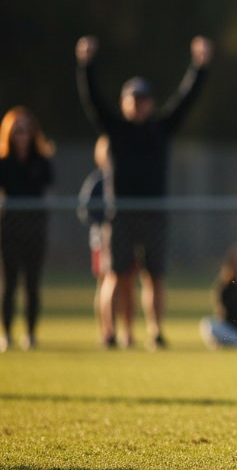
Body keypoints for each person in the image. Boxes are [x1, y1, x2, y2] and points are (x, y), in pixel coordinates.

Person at [76, 35, 213, 350]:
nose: (137, 104)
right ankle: (113, 333)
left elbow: (185, 98)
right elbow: (93, 100)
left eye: (142, 99)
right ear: (125, 102)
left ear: (150, 102)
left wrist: (200, 66)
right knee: (116, 276)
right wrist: (86, 66)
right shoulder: (116, 129)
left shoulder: (161, 129)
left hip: (154, 213)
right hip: (120, 213)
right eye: (132, 99)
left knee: (155, 277)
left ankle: (155, 331)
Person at [0, 107, 55, 352]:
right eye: (18, 131)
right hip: (9, 227)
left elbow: (48, 190)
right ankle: (6, 334)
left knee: (32, 283)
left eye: (26, 131)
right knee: (9, 282)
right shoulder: (3, 163)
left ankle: (30, 334)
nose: (22, 136)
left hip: (34, 228)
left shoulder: (41, 162)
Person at [76, 135, 118, 347]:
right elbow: (85, 210)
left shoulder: (122, 179)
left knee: (120, 282)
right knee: (103, 283)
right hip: (101, 240)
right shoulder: (98, 181)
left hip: (119, 239)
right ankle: (106, 330)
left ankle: (121, 330)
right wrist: (102, 224)